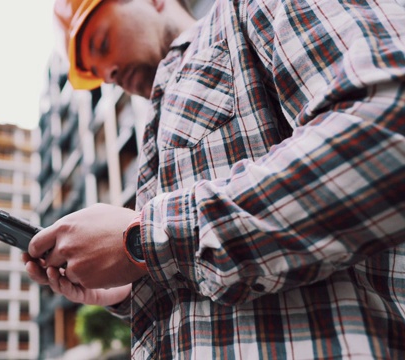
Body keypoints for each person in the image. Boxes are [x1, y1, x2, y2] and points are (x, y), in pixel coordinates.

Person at [25, 0, 405, 358]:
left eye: (102, 43)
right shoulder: (157, 125)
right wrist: (131, 285)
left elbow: (387, 126)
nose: (108, 74)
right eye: (98, 73)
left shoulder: (245, 12)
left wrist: (142, 239)